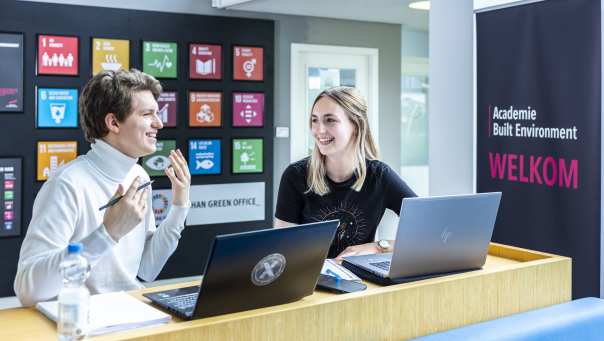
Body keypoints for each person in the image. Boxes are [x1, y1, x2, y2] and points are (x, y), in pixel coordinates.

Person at [14, 69, 191, 306]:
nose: (158, 123)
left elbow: (146, 270)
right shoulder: (67, 184)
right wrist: (107, 233)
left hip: (130, 317)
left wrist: (180, 206)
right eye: (148, 114)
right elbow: (28, 289)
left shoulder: (138, 175)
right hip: (77, 325)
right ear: (113, 122)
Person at [274, 86, 416, 260]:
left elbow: (428, 229)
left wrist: (379, 247)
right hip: (308, 281)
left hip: (361, 281)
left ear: (355, 125)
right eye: (314, 120)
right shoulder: (295, 175)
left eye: (330, 120)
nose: (319, 130)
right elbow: (281, 247)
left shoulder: (380, 176)